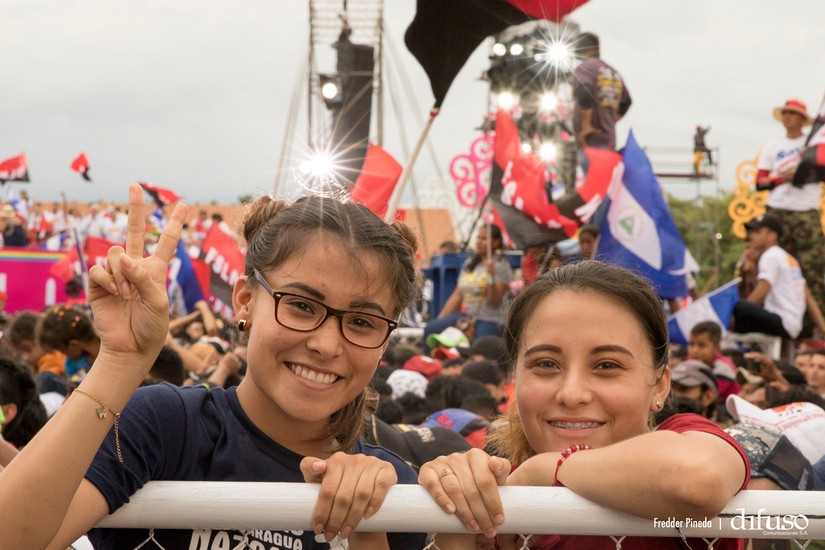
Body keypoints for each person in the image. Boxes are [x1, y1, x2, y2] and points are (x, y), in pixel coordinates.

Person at [0, 184, 427, 549]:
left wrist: (384, 528)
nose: (326, 344)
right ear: (245, 300)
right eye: (300, 305)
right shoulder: (166, 426)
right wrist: (119, 361)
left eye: (362, 322)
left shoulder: (393, 488)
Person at [419, 261, 749, 549]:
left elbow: (697, 480)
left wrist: (546, 469)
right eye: (546, 364)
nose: (572, 394)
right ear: (515, 379)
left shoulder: (688, 437)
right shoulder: (498, 498)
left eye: (607, 365)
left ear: (660, 384)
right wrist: (457, 513)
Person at [755, 98, 825, 311]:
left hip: (806, 212)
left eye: (792, 113)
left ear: (802, 119)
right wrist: (780, 179)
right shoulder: (772, 146)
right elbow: (760, 182)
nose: (787, 117)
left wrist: (803, 171)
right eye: (785, 113)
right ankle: (772, 316)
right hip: (777, 211)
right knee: (771, 265)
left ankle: (813, 324)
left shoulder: (815, 144)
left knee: (812, 270)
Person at [733, 215, 825, 339]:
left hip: (781, 320)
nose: (752, 236)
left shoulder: (770, 255)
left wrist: (737, 312)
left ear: (772, 235)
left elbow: (763, 291)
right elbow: (808, 297)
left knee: (739, 307)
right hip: (794, 325)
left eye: (757, 232)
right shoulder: (789, 259)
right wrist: (823, 328)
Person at [424, 224, 512, 348]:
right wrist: (439, 320)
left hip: (490, 319)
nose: (478, 242)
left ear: (496, 242)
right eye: (478, 238)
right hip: (468, 317)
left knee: (478, 346)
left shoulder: (501, 265)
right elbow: (457, 296)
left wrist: (490, 277)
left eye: (484, 238)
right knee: (431, 329)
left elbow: (495, 302)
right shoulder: (470, 264)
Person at [572, 32, 632, 175]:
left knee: (593, 186)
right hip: (608, 141)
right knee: (605, 184)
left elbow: (584, 92)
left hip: (590, 142)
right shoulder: (612, 72)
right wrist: (609, 121)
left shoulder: (585, 67)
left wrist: (586, 127)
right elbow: (627, 102)